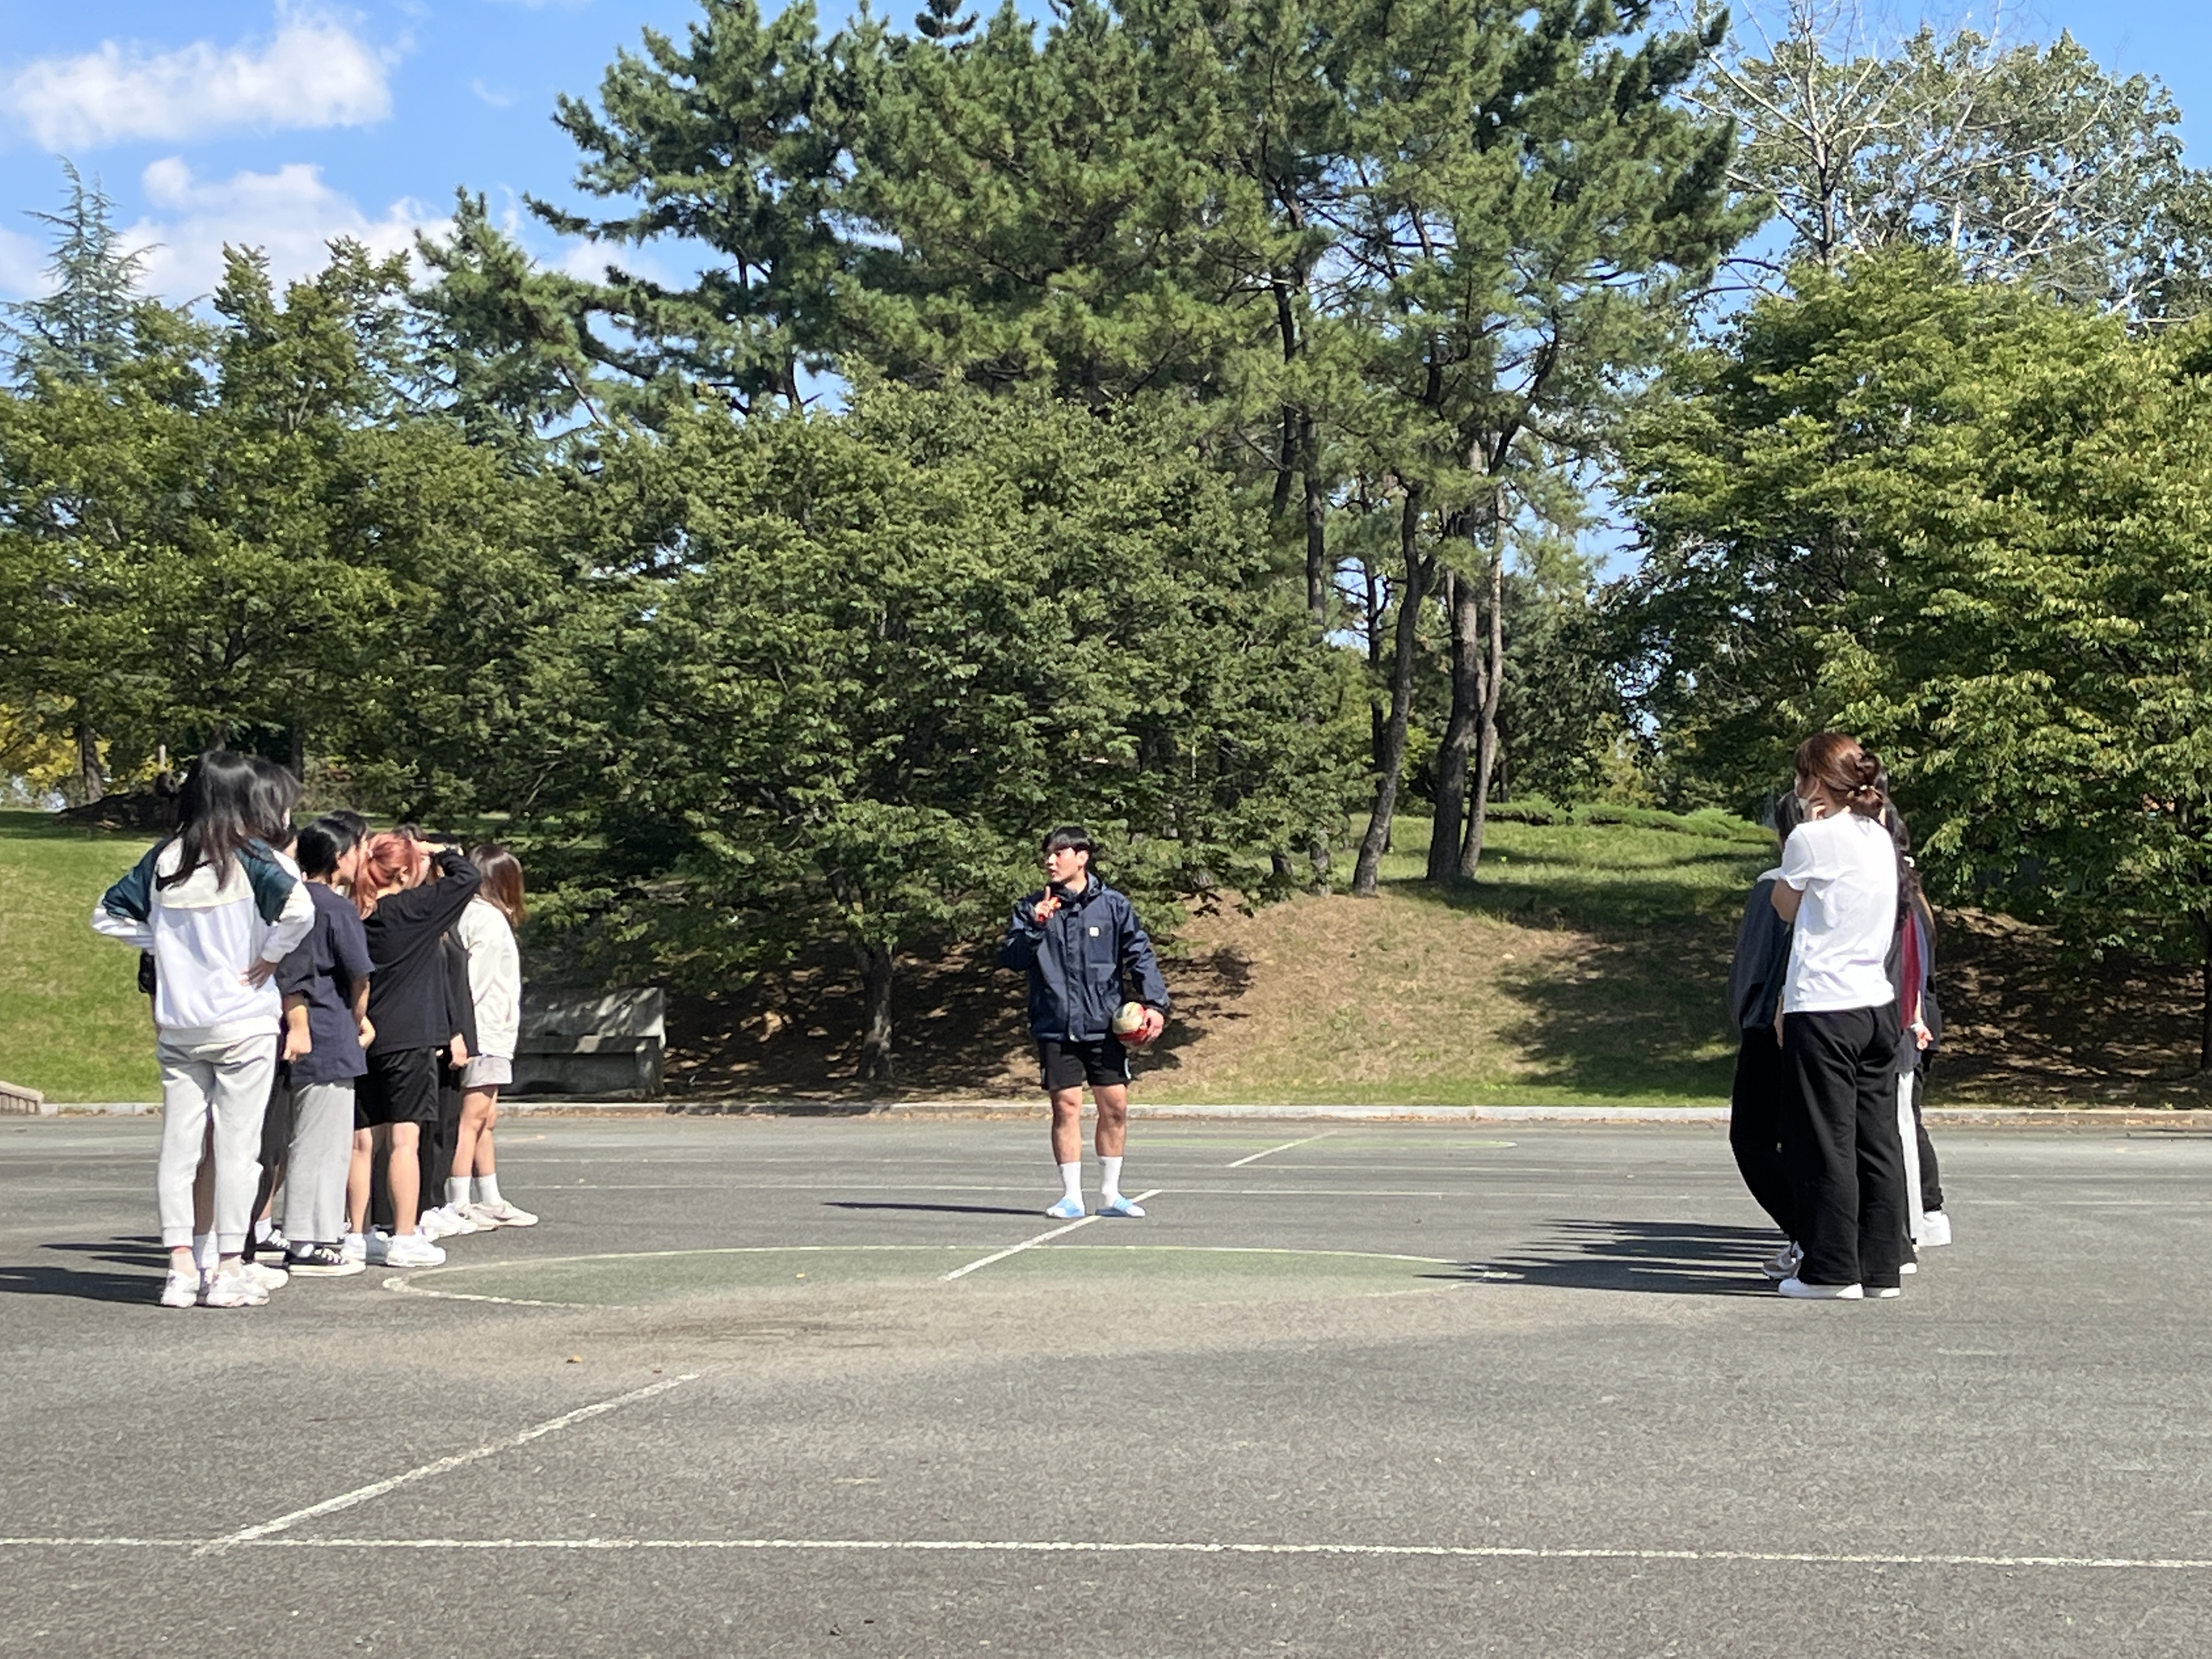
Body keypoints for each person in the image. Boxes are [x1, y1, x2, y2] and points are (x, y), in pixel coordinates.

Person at [91, 751, 313, 1308]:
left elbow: (107, 913)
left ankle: (181, 1268)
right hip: (244, 1020)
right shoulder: (255, 859)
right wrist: (269, 955)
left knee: (180, 1147)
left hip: (181, 1023)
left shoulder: (165, 858)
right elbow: (300, 911)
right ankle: (228, 1268)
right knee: (238, 1149)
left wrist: (164, 946)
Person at [1771, 732, 1906, 1301]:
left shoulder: (1810, 838)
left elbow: (1783, 906)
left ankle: (1830, 1270)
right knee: (1877, 1141)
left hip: (1824, 1005)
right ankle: (1881, 1268)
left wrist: (1807, 826)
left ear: (1815, 782)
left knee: (1825, 1142)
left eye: (1802, 776)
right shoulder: (1880, 837)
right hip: (1876, 1002)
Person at [999, 826, 1170, 1219]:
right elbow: (1012, 959)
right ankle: (1071, 1197)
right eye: (1047, 853)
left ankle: (1110, 1195)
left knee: (1116, 1108)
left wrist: (1156, 1004)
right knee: (1067, 1106)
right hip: (1056, 1024)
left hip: (1104, 1025)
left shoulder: (1114, 905)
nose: (1050, 860)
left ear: (1082, 857)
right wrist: (1035, 927)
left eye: (1059, 853)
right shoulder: (1031, 907)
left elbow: (1140, 955)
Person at [352, 832, 481, 1267]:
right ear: (405, 871)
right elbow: (468, 878)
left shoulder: (357, 911)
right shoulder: (415, 909)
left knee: (363, 1141)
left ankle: (358, 1232)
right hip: (410, 1036)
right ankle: (405, 1235)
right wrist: (441, 853)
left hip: (365, 1032)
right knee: (405, 1139)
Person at [273, 817, 374, 1277]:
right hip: (328, 1030)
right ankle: (307, 1240)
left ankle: (306, 1234)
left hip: (289, 1027)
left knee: (298, 1136)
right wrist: (358, 1018)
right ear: (338, 858)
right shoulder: (335, 908)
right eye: (355, 851)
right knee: (323, 1142)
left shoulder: (288, 900)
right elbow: (359, 974)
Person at [1727, 788, 1804, 1278]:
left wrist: (1747, 1016)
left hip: (1769, 1025)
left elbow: (1752, 968)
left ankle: (1806, 1232)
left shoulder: (1773, 887)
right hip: (1831, 1023)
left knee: (1753, 1140)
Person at [450, 844, 537, 1227]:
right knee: (472, 1118)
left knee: (486, 1118)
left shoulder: (470, 915)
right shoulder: (486, 919)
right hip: (484, 1032)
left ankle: (490, 1196)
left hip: (491, 1031)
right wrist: (466, 1030)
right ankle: (458, 1201)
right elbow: (477, 981)